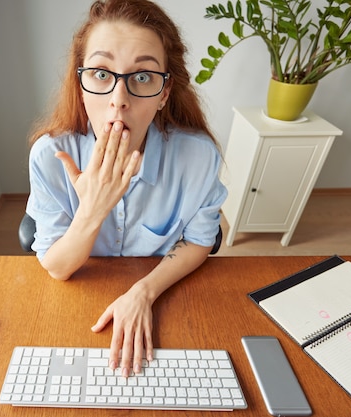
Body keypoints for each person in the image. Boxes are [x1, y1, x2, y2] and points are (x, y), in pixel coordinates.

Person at [25, 0, 227, 378]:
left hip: (164, 296)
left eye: (143, 77)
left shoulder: (199, 158)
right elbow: (56, 268)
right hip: (79, 296)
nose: (119, 99)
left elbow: (202, 240)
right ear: (81, 85)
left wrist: (144, 292)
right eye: (101, 74)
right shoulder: (50, 155)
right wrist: (93, 208)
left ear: (164, 93)